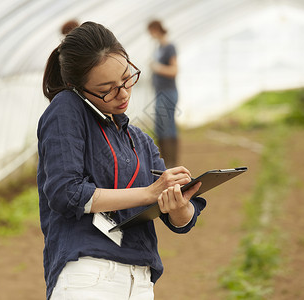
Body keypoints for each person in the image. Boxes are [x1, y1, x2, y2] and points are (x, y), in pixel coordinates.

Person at [38, 21, 206, 300]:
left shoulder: (138, 140)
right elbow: (65, 193)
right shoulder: (67, 108)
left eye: (127, 79)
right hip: (89, 273)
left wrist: (179, 204)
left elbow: (181, 221)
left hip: (139, 277)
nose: (124, 93)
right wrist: (149, 193)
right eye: (107, 89)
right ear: (75, 87)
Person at [147, 20, 179, 168]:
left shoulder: (169, 47)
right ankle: (164, 162)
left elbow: (174, 70)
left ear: (156, 29)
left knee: (167, 126)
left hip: (168, 92)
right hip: (160, 92)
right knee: (161, 126)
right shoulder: (158, 48)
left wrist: (157, 68)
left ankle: (170, 163)